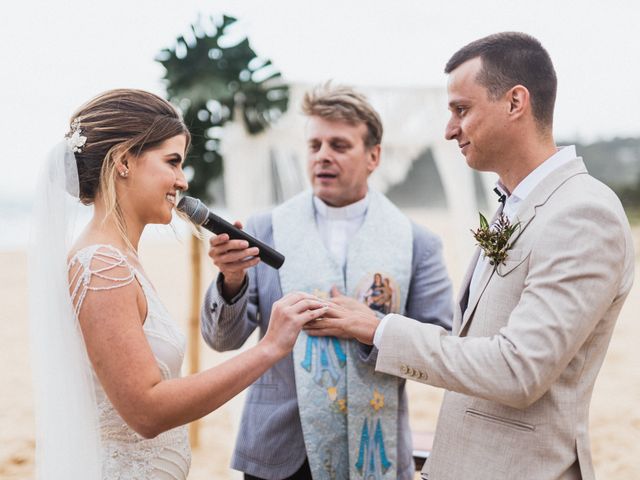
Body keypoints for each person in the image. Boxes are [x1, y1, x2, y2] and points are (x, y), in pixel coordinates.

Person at [310, 33, 635, 479]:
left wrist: (378, 328)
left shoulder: (582, 212)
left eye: (461, 110)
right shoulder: (515, 205)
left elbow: (517, 371)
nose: (449, 129)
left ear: (515, 102)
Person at [28, 88, 328, 480]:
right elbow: (147, 412)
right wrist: (270, 347)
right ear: (123, 162)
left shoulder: (120, 260)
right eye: (172, 162)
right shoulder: (101, 266)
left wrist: (233, 277)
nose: (182, 181)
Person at [201, 83, 453, 479]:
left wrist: (374, 330)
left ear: (374, 156)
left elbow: (439, 348)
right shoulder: (263, 229)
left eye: (339, 145)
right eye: (314, 145)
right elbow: (221, 341)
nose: (323, 157)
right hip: (278, 454)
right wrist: (231, 279)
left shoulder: (417, 243)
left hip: (375, 451)